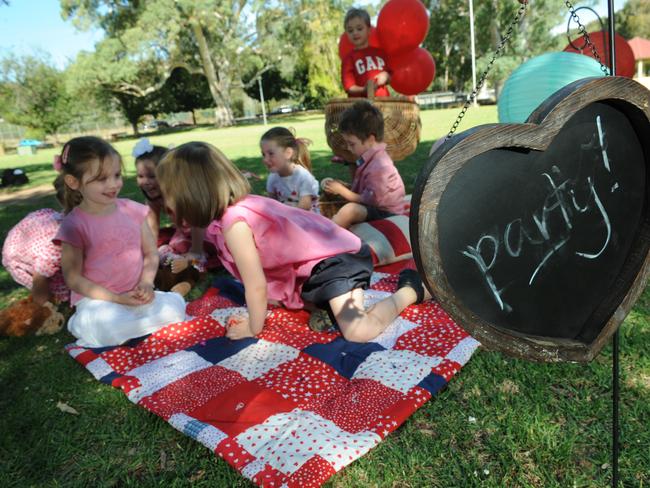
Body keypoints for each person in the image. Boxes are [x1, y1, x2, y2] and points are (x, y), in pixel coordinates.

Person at [155, 141, 428, 343]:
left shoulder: (234, 224)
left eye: (168, 193)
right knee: (289, 303)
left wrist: (253, 326)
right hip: (314, 268)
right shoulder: (227, 214)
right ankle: (327, 307)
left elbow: (256, 285)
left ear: (190, 194)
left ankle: (410, 290)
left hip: (337, 261)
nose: (165, 200)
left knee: (359, 332)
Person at [54, 136, 186, 348]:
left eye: (116, 175)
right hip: (99, 302)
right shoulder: (74, 225)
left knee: (174, 310)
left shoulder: (133, 210)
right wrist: (117, 298)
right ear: (73, 182)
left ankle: (143, 317)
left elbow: (151, 254)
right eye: (101, 179)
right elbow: (73, 278)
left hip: (137, 294)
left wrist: (146, 283)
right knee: (109, 328)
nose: (113, 184)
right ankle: (80, 322)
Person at [133, 138, 215, 296]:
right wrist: (151, 251)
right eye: (140, 176)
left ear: (168, 175)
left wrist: (196, 250)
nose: (146, 182)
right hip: (184, 233)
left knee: (193, 258)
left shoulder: (180, 196)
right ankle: (175, 263)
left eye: (151, 176)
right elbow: (152, 225)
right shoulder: (153, 198)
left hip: (206, 233)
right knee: (164, 249)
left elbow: (198, 223)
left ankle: (190, 274)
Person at [322, 100, 406, 228]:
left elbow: (370, 200)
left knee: (350, 210)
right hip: (375, 208)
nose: (349, 148)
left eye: (352, 144)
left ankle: (329, 234)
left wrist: (342, 191)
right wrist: (345, 160)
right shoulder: (371, 156)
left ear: (370, 139)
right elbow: (360, 165)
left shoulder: (380, 167)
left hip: (387, 214)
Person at [1, 177, 70, 305]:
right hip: (20, 256)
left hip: (37, 235)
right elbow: (40, 277)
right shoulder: (60, 241)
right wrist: (44, 308)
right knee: (59, 296)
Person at [260, 127, 320, 212]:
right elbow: (272, 203)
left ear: (288, 153)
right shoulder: (273, 177)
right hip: (285, 219)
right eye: (263, 154)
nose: (265, 160)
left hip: (308, 221)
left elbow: (304, 207)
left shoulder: (303, 177)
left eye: (271, 154)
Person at [341, 8, 391, 98]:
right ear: (346, 34)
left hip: (384, 104)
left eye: (359, 29)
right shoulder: (348, 59)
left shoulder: (380, 53)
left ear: (369, 30)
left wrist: (386, 76)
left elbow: (389, 76)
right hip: (360, 107)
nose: (355, 33)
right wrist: (364, 90)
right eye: (350, 30)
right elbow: (349, 87)